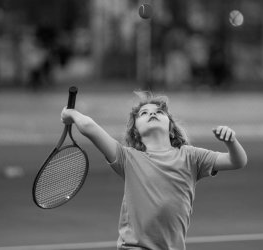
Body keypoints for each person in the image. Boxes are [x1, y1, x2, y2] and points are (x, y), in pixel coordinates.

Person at [61, 91, 247, 250]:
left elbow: (236, 161)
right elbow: (89, 127)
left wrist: (231, 142)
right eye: (143, 113)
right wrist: (72, 114)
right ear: (135, 131)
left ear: (171, 127)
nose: (152, 113)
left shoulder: (191, 156)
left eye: (159, 111)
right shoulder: (128, 158)